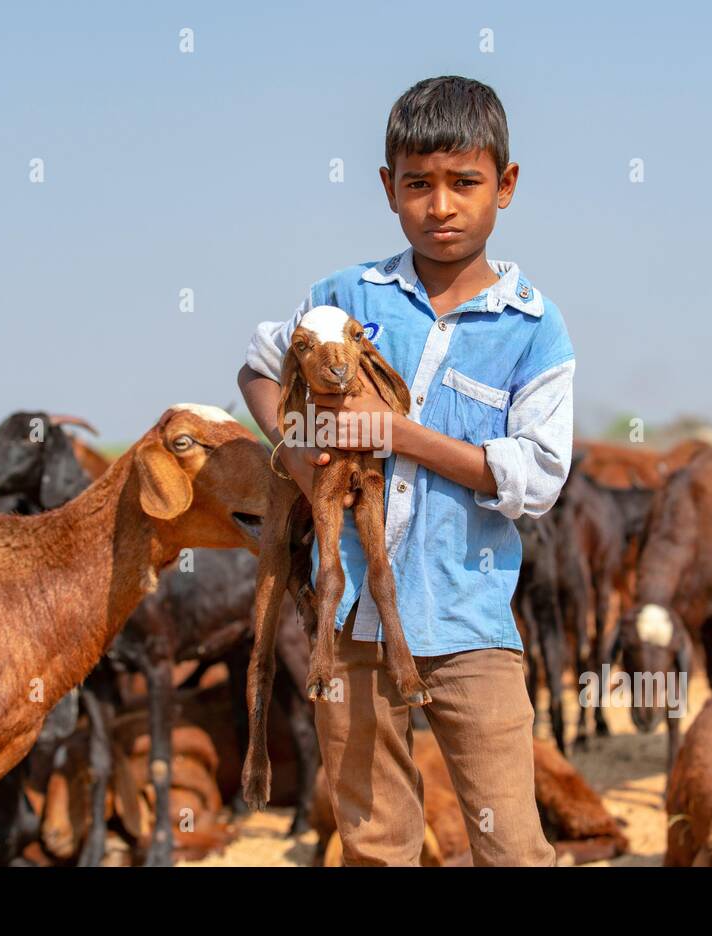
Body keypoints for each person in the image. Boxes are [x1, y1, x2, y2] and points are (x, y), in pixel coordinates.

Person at [236, 75, 574, 866]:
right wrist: (290, 444)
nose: (442, 205)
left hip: (469, 622)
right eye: (418, 184)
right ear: (389, 188)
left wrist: (401, 435)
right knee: (376, 841)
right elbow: (258, 364)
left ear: (507, 186)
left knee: (512, 845)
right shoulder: (342, 298)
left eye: (465, 182)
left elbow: (539, 477)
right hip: (347, 623)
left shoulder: (533, 327)